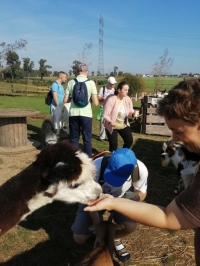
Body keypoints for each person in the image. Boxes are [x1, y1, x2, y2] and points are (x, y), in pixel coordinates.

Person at [85, 78, 200, 265]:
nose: (174, 139)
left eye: (178, 131)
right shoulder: (98, 167)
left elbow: (168, 217)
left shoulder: (140, 171)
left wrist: (115, 202)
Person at [71, 148, 148, 262]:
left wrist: (136, 197)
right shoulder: (95, 167)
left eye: (119, 177)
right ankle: (101, 234)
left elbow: (141, 192)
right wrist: (99, 228)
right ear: (110, 160)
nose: (113, 181)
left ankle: (115, 238)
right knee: (79, 238)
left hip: (120, 199)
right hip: (95, 199)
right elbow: (90, 200)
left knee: (130, 227)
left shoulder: (140, 170)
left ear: (134, 167)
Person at [63, 63, 98, 157]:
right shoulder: (91, 83)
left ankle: (75, 160)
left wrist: (73, 99)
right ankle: (88, 159)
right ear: (86, 72)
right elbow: (96, 103)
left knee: (74, 139)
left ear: (77, 72)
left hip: (73, 114)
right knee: (87, 139)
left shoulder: (71, 82)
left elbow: (65, 100)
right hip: (86, 114)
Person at [103, 81, 137, 152]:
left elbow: (130, 111)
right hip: (112, 126)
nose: (127, 92)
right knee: (113, 145)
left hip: (123, 125)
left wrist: (133, 114)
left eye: (128, 90)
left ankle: (123, 154)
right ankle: (112, 159)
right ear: (119, 90)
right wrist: (110, 121)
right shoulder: (111, 99)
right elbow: (105, 115)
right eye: (125, 90)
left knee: (129, 140)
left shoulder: (127, 99)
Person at [97, 76, 116, 141]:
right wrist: (103, 98)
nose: (112, 85)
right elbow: (98, 98)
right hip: (103, 108)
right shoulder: (103, 89)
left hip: (112, 109)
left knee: (111, 123)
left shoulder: (115, 90)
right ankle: (102, 137)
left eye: (113, 84)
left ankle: (110, 136)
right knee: (103, 123)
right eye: (111, 84)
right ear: (108, 83)